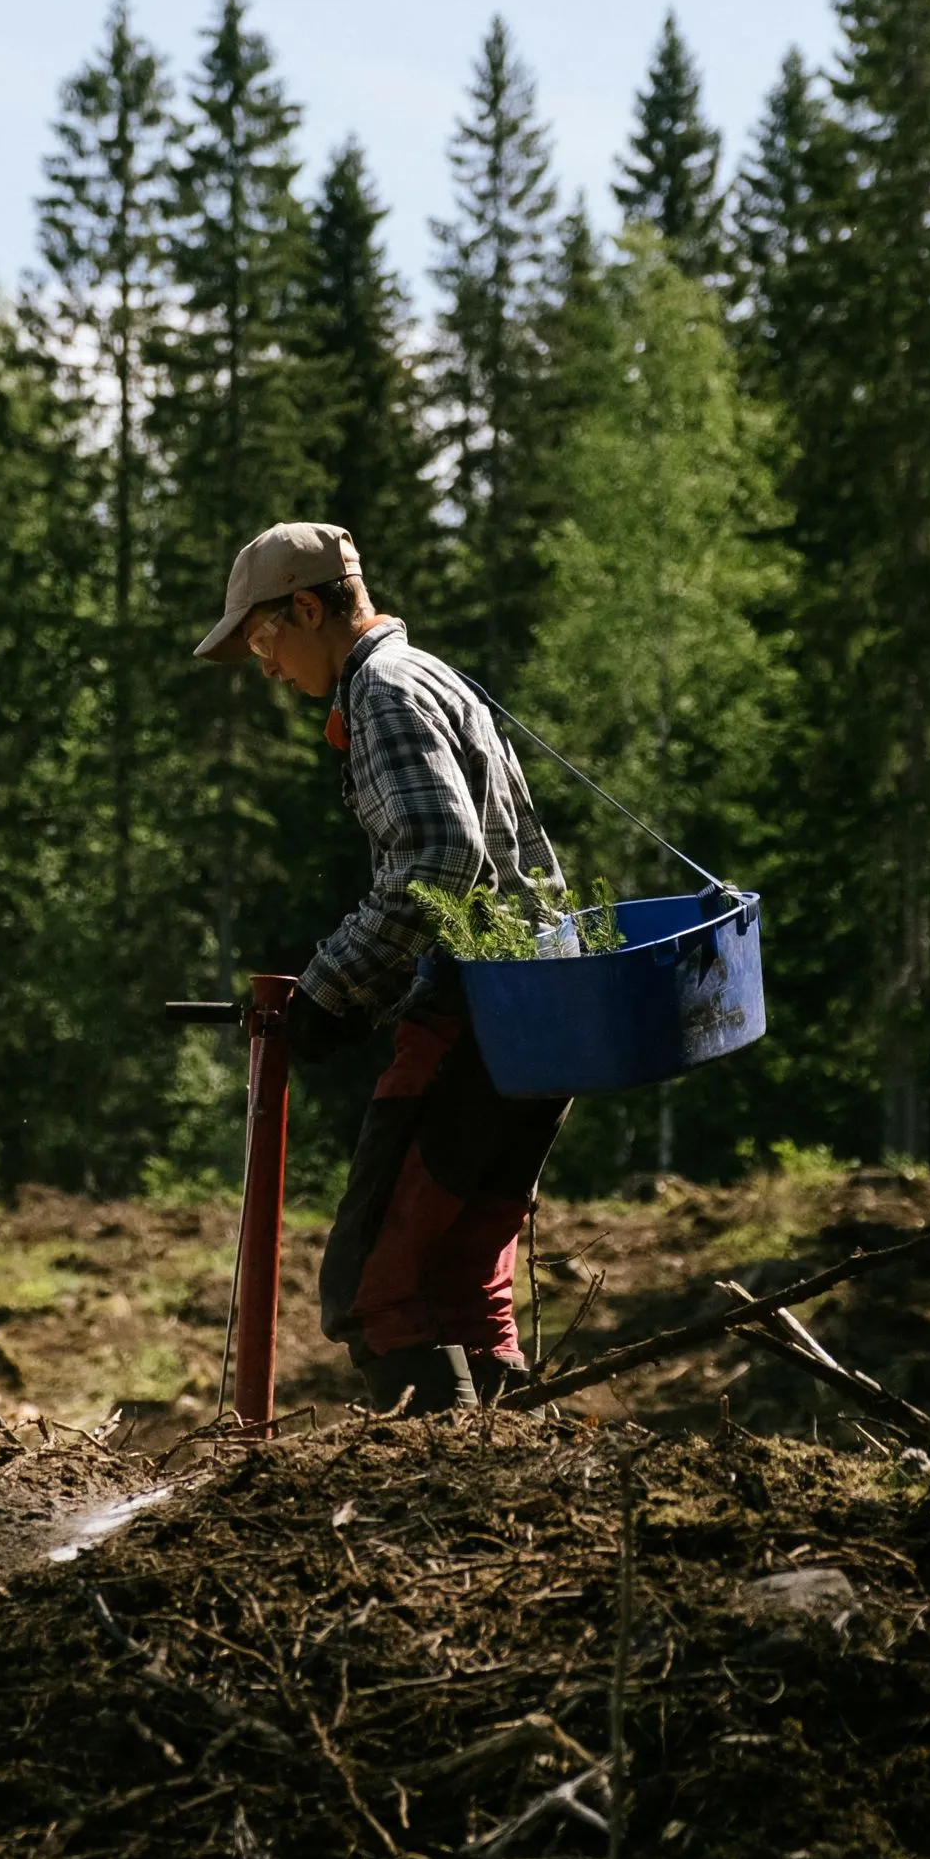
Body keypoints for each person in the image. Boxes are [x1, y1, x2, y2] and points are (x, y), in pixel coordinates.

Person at [191, 521, 571, 1414]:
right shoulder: (431, 673)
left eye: (264, 641)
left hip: (477, 1011)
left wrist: (329, 989)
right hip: (539, 1014)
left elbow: (437, 856)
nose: (268, 668)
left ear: (309, 607)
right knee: (460, 1276)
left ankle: (439, 1500)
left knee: (373, 1290)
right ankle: (518, 1489)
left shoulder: (382, 692)